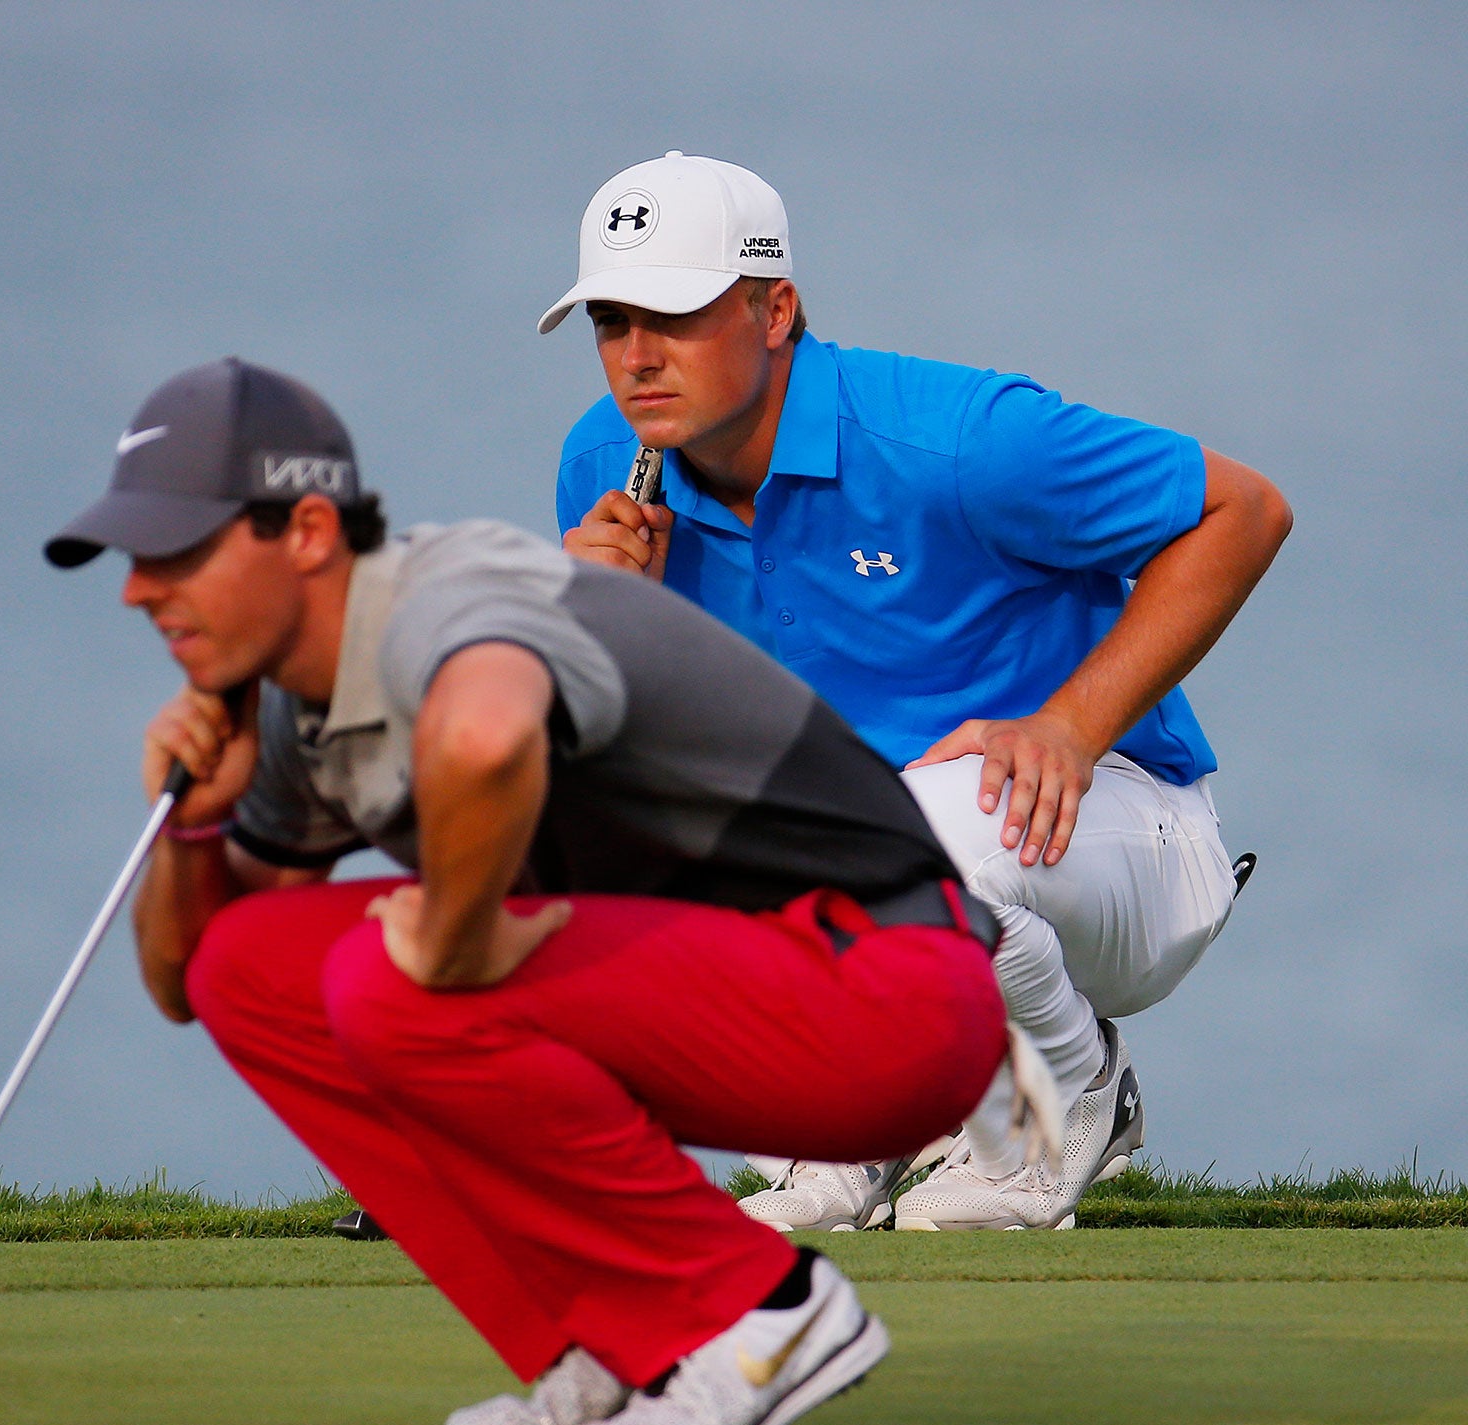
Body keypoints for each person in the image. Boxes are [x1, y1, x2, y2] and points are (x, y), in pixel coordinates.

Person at [45, 356, 1048, 1425]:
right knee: (256, 967)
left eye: (175, 553)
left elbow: (484, 736)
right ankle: (613, 1341)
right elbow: (191, 987)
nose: (138, 590)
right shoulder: (287, 709)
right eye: (135, 560)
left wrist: (459, 940)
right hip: (734, 994)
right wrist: (193, 829)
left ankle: (759, 1313)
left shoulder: (447, 596)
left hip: (889, 992)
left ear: (309, 531)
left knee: (399, 980)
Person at [543, 153, 1291, 1232]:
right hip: (898, 871)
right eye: (610, 321)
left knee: (903, 831)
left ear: (771, 308)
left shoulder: (958, 440)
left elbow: (1243, 512)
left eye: (673, 312)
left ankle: (1061, 1105)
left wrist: (1071, 726)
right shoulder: (605, 468)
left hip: (1106, 839)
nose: (635, 356)